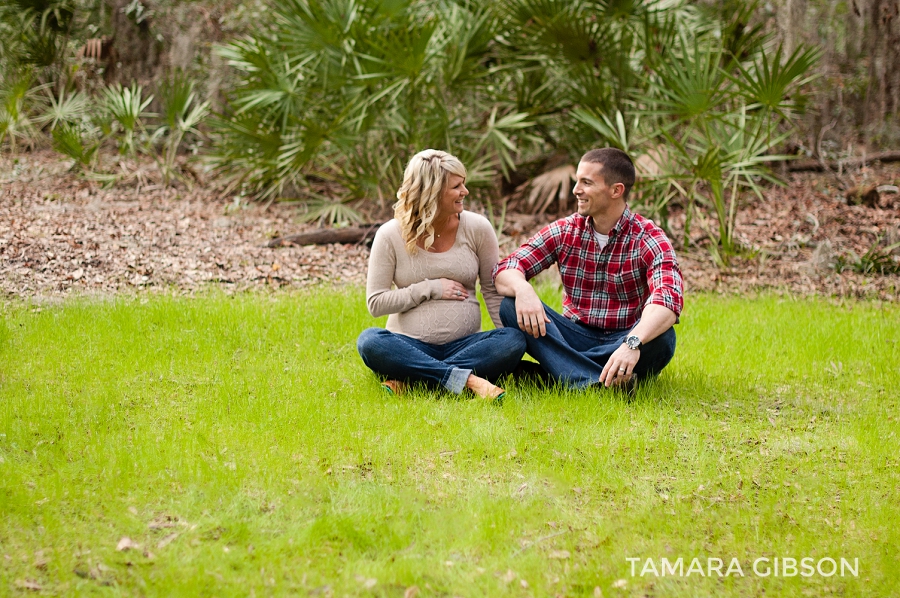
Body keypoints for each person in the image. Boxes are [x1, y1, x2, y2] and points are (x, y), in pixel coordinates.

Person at [493, 147, 683, 390]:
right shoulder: (566, 230)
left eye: (586, 182)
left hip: (624, 338)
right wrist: (523, 289)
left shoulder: (649, 237)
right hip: (572, 337)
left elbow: (667, 300)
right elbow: (507, 268)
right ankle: (597, 382)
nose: (576, 190)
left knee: (663, 338)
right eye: (576, 181)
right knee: (510, 306)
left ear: (616, 190)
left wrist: (632, 344)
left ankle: (558, 376)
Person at [357, 149, 526, 399]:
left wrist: (507, 345)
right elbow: (376, 303)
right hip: (408, 344)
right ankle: (468, 381)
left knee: (512, 339)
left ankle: (411, 377)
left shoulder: (478, 228)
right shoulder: (390, 234)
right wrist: (429, 288)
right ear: (432, 192)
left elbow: (491, 291)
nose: (465, 192)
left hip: (466, 344)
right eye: (457, 186)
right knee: (370, 341)